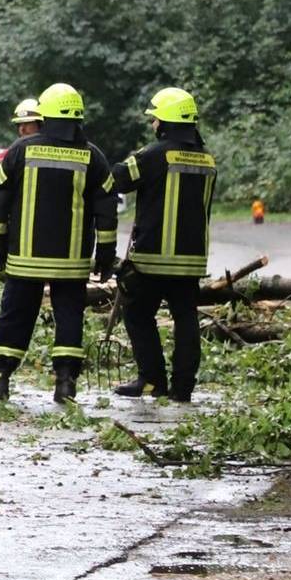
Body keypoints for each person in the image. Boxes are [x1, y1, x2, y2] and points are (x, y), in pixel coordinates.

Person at [0, 82, 119, 404]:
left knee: (14, 316)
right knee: (69, 317)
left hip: (25, 259)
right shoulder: (93, 156)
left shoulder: (21, 150)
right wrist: (106, 255)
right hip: (71, 263)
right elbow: (107, 210)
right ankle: (66, 383)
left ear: (45, 114)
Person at [104, 88, 216, 402]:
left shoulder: (155, 154)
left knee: (138, 313)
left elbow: (118, 179)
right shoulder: (207, 158)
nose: (152, 124)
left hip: (154, 257)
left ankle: (152, 379)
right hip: (191, 259)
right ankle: (183, 388)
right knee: (186, 319)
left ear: (166, 121)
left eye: (155, 119)